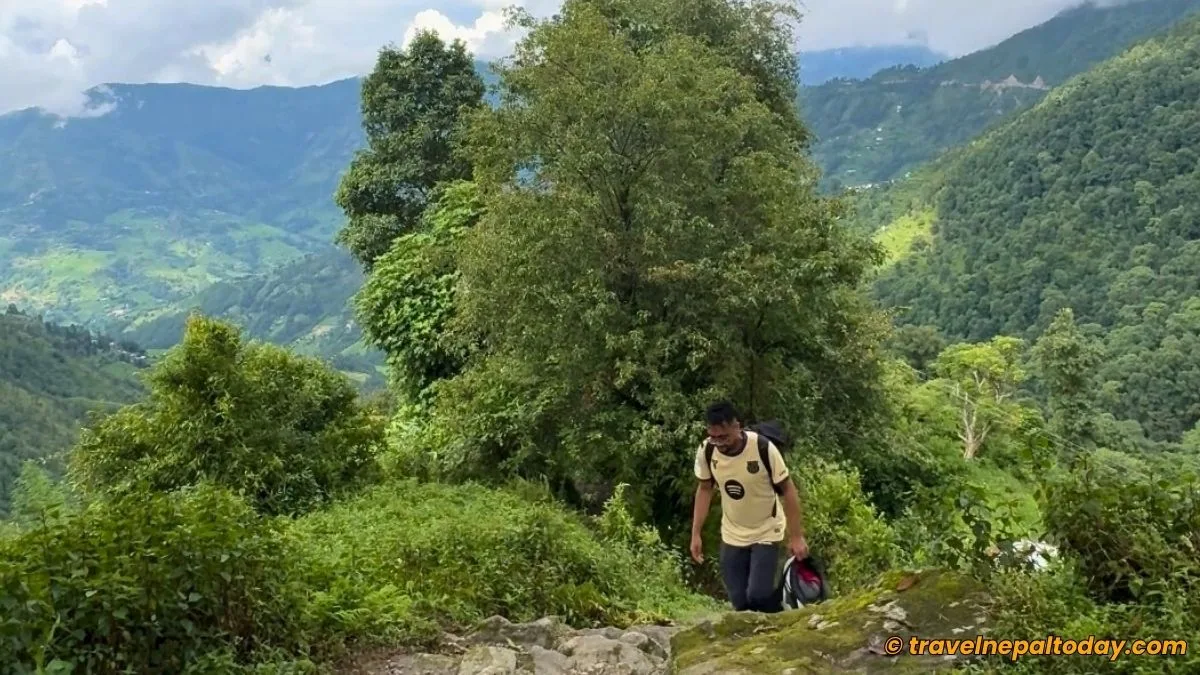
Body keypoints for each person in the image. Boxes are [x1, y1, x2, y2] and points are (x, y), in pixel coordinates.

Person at [690, 400, 808, 612]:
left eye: (723, 436)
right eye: (713, 437)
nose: (719, 443)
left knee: (759, 595)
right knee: (739, 601)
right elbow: (705, 489)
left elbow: (789, 490)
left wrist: (796, 536)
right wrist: (696, 533)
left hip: (766, 530)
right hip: (733, 532)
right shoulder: (707, 450)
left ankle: (781, 618)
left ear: (737, 426)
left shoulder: (762, 448)